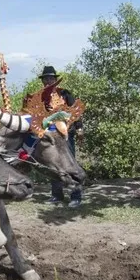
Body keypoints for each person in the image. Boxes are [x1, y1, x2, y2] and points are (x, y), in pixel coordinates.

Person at [37, 66, 84, 208]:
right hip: (49, 135)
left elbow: (75, 110)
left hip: (66, 133)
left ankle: (76, 196)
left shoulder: (65, 93)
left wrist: (80, 128)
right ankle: (56, 194)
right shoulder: (40, 97)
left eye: (51, 78)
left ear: (55, 79)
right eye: (46, 78)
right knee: (53, 164)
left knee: (70, 163)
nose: (48, 80)